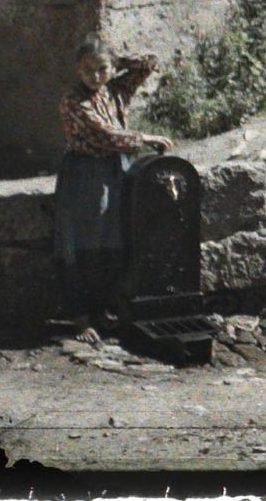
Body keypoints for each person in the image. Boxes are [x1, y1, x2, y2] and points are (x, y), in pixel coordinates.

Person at [55, 37, 172, 327]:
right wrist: (145, 138)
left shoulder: (115, 91)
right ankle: (83, 314)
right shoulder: (74, 100)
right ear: (77, 70)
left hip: (115, 169)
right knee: (86, 240)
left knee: (116, 237)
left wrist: (119, 60)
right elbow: (103, 134)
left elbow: (149, 64)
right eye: (87, 70)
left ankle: (106, 307)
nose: (95, 76)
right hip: (86, 174)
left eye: (102, 69)